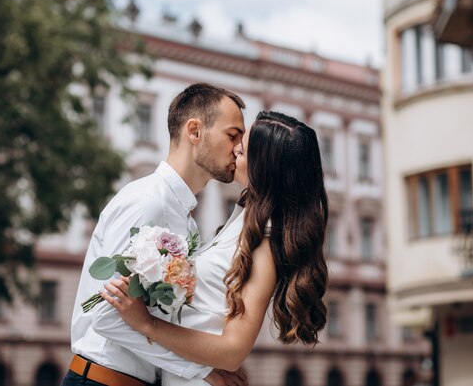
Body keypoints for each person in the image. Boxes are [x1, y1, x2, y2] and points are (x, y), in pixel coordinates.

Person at [101, 111, 329, 385]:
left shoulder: (265, 242)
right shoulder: (245, 222)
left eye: (243, 149)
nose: (234, 150)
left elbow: (233, 351)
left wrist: (147, 324)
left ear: (264, 167)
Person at [62, 83, 249, 386]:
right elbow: (105, 315)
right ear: (194, 131)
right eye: (232, 135)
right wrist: (202, 371)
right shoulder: (147, 203)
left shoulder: (185, 221)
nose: (239, 148)